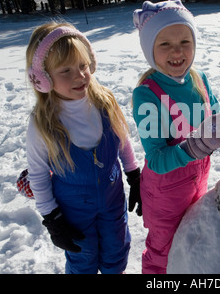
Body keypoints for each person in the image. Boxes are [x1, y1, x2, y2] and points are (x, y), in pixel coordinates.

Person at [25, 22, 141, 274]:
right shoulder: (43, 123)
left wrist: (134, 175)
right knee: (82, 259)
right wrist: (53, 220)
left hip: (112, 201)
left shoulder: (104, 102)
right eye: (65, 71)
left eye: (83, 65)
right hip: (73, 212)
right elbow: (38, 176)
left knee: (117, 250)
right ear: (43, 79)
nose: (79, 76)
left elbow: (122, 141)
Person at [132, 0, 220, 274]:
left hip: (197, 180)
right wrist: (193, 148)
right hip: (164, 193)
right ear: (149, 49)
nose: (177, 52)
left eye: (184, 42)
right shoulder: (147, 93)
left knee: (190, 239)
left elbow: (217, 121)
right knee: (163, 253)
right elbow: (156, 159)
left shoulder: (199, 79)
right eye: (165, 43)